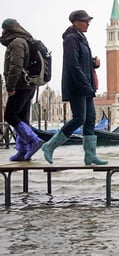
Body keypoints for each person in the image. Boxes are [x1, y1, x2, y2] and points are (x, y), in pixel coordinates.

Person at [42, 10, 107, 165]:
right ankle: (49, 146)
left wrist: (93, 63)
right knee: (79, 118)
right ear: (76, 22)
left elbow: (81, 61)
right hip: (77, 86)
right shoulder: (71, 38)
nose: (88, 24)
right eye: (85, 21)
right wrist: (84, 83)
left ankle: (90, 156)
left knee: (90, 119)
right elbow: (72, 64)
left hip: (86, 86)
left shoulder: (81, 38)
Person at [0, 18, 43, 161]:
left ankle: (33, 140)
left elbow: (15, 66)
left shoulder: (17, 42)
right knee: (22, 118)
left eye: (3, 29)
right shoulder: (25, 39)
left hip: (21, 85)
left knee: (10, 116)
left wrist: (10, 86)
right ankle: (22, 151)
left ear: (8, 29)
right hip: (29, 85)